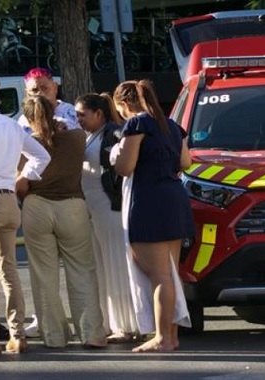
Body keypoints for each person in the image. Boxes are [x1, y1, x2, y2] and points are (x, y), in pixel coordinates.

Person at [111, 79, 194, 352]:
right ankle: (171, 335)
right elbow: (185, 162)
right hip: (174, 198)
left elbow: (125, 167)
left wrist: (117, 152)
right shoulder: (172, 125)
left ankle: (162, 338)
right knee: (170, 272)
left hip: (147, 200)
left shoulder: (136, 124)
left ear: (124, 104)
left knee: (158, 274)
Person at [18, 95, 107, 349]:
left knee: (43, 275)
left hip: (37, 206)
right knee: (82, 271)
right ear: (53, 111)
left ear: (28, 118)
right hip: (72, 205)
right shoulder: (76, 138)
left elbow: (20, 184)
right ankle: (92, 333)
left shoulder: (26, 145)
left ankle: (54, 336)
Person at [0, 70, 51, 356]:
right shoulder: (12, 126)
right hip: (10, 200)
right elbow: (42, 156)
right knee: (8, 269)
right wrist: (19, 179)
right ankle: (17, 334)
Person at [75, 93, 139, 342]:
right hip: (94, 206)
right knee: (101, 267)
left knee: (116, 265)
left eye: (83, 114)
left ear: (98, 114)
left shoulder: (113, 133)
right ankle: (111, 322)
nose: (78, 119)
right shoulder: (92, 135)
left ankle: (126, 325)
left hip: (109, 206)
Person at [17, 67, 79, 133]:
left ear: (55, 88)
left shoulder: (73, 114)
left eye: (45, 88)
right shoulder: (23, 122)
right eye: (34, 90)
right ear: (27, 94)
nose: (40, 94)